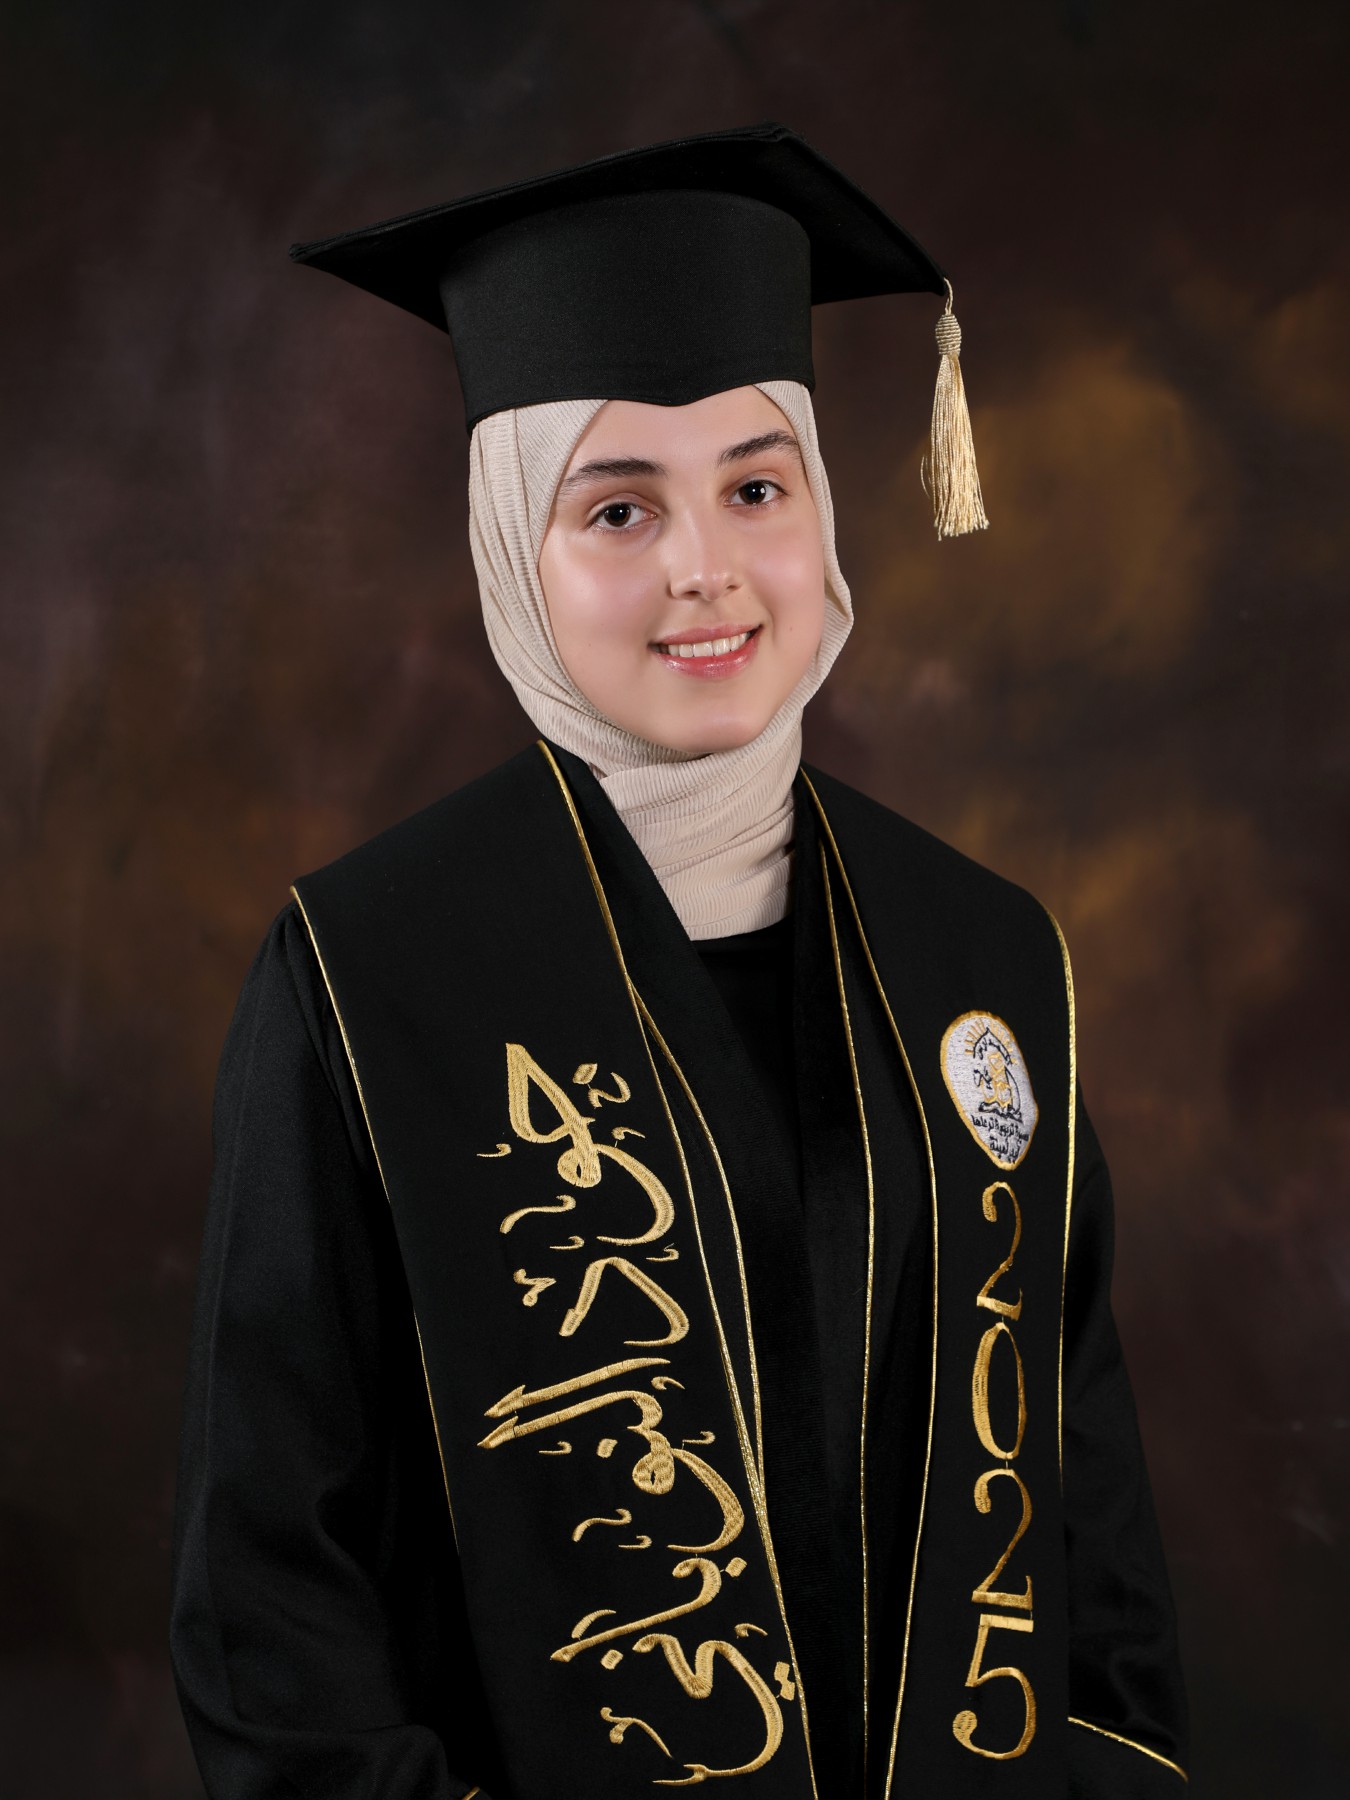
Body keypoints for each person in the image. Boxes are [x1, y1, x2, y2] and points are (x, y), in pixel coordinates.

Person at [169, 122, 1188, 1799]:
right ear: (514, 545)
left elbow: (1079, 1494)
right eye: (618, 506)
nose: (704, 567)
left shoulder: (980, 950)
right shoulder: (368, 974)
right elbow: (273, 1587)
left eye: (754, 487)